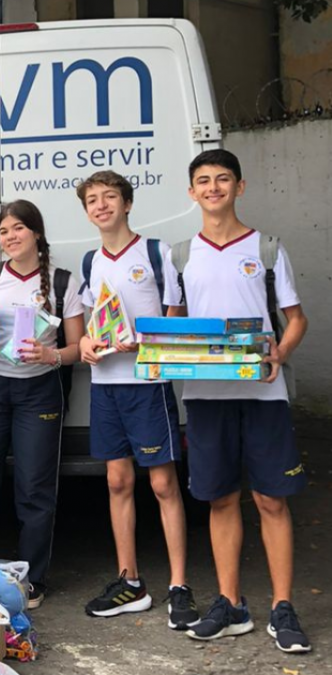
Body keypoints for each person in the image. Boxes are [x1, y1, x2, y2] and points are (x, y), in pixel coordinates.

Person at [163, 149, 311, 653]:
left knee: (271, 498)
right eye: (203, 181)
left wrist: (280, 352)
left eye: (222, 179)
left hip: (263, 392)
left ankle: (282, 608)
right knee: (220, 497)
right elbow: (171, 325)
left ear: (239, 187)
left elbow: (296, 318)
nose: (213, 188)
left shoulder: (267, 249)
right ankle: (231, 604)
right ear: (192, 192)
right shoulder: (181, 256)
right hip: (205, 395)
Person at [75, 171, 197, 628]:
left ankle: (179, 586)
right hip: (106, 388)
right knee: (118, 483)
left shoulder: (154, 252)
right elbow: (92, 324)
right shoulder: (91, 261)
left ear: (127, 203)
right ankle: (131, 582)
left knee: (163, 485)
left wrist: (144, 342)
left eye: (110, 197)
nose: (101, 205)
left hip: (147, 386)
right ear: (86, 210)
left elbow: (176, 321)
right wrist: (87, 344)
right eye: (92, 200)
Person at [0, 199, 84, 609]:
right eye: (3, 231)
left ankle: (31, 579)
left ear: (37, 233)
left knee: (35, 488)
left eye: (18, 229)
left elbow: (79, 348)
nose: (10, 237)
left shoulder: (63, 282)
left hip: (39, 392)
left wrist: (51, 356)